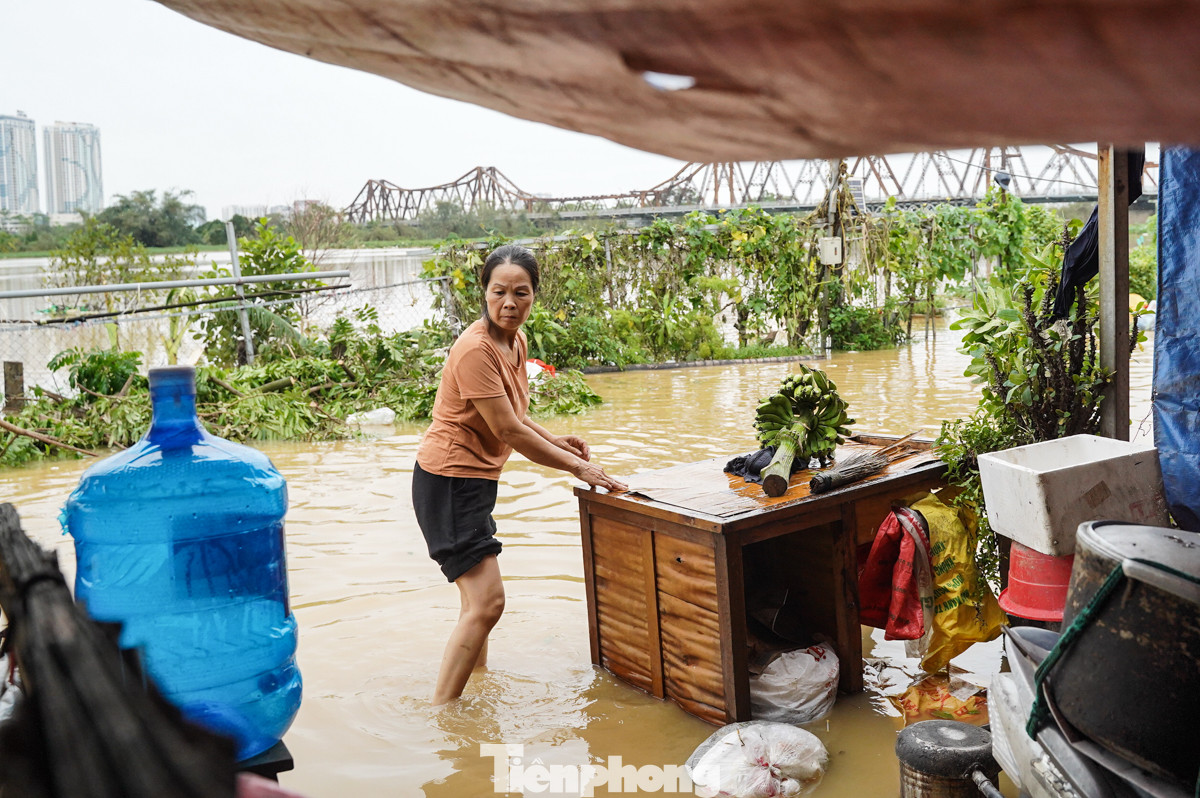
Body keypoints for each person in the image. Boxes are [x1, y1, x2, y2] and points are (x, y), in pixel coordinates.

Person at [412, 244, 628, 705]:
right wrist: (579, 465)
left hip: (474, 481)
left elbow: (517, 413)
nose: (509, 303)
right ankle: (443, 714)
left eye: (521, 293)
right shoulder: (475, 350)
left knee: (476, 605)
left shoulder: (516, 342)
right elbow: (507, 428)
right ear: (484, 294)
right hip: (450, 481)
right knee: (489, 602)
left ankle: (477, 689)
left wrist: (558, 441)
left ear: (534, 296)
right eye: (499, 292)